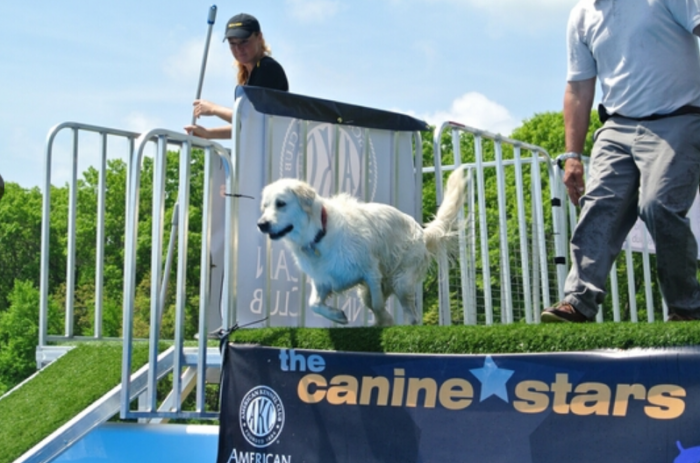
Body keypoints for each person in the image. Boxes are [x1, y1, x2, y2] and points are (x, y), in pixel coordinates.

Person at [541, 0, 700, 323]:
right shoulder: (582, 15)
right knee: (598, 206)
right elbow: (578, 88)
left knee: (658, 205)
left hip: (679, 117)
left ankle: (686, 307)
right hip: (617, 126)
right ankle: (579, 301)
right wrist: (572, 155)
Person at [184, 13, 289, 139]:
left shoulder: (267, 69)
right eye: (232, 43)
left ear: (259, 37)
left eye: (244, 41)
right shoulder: (252, 74)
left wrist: (214, 109)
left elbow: (250, 119)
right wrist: (208, 133)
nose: (238, 48)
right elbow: (245, 124)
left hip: (271, 153)